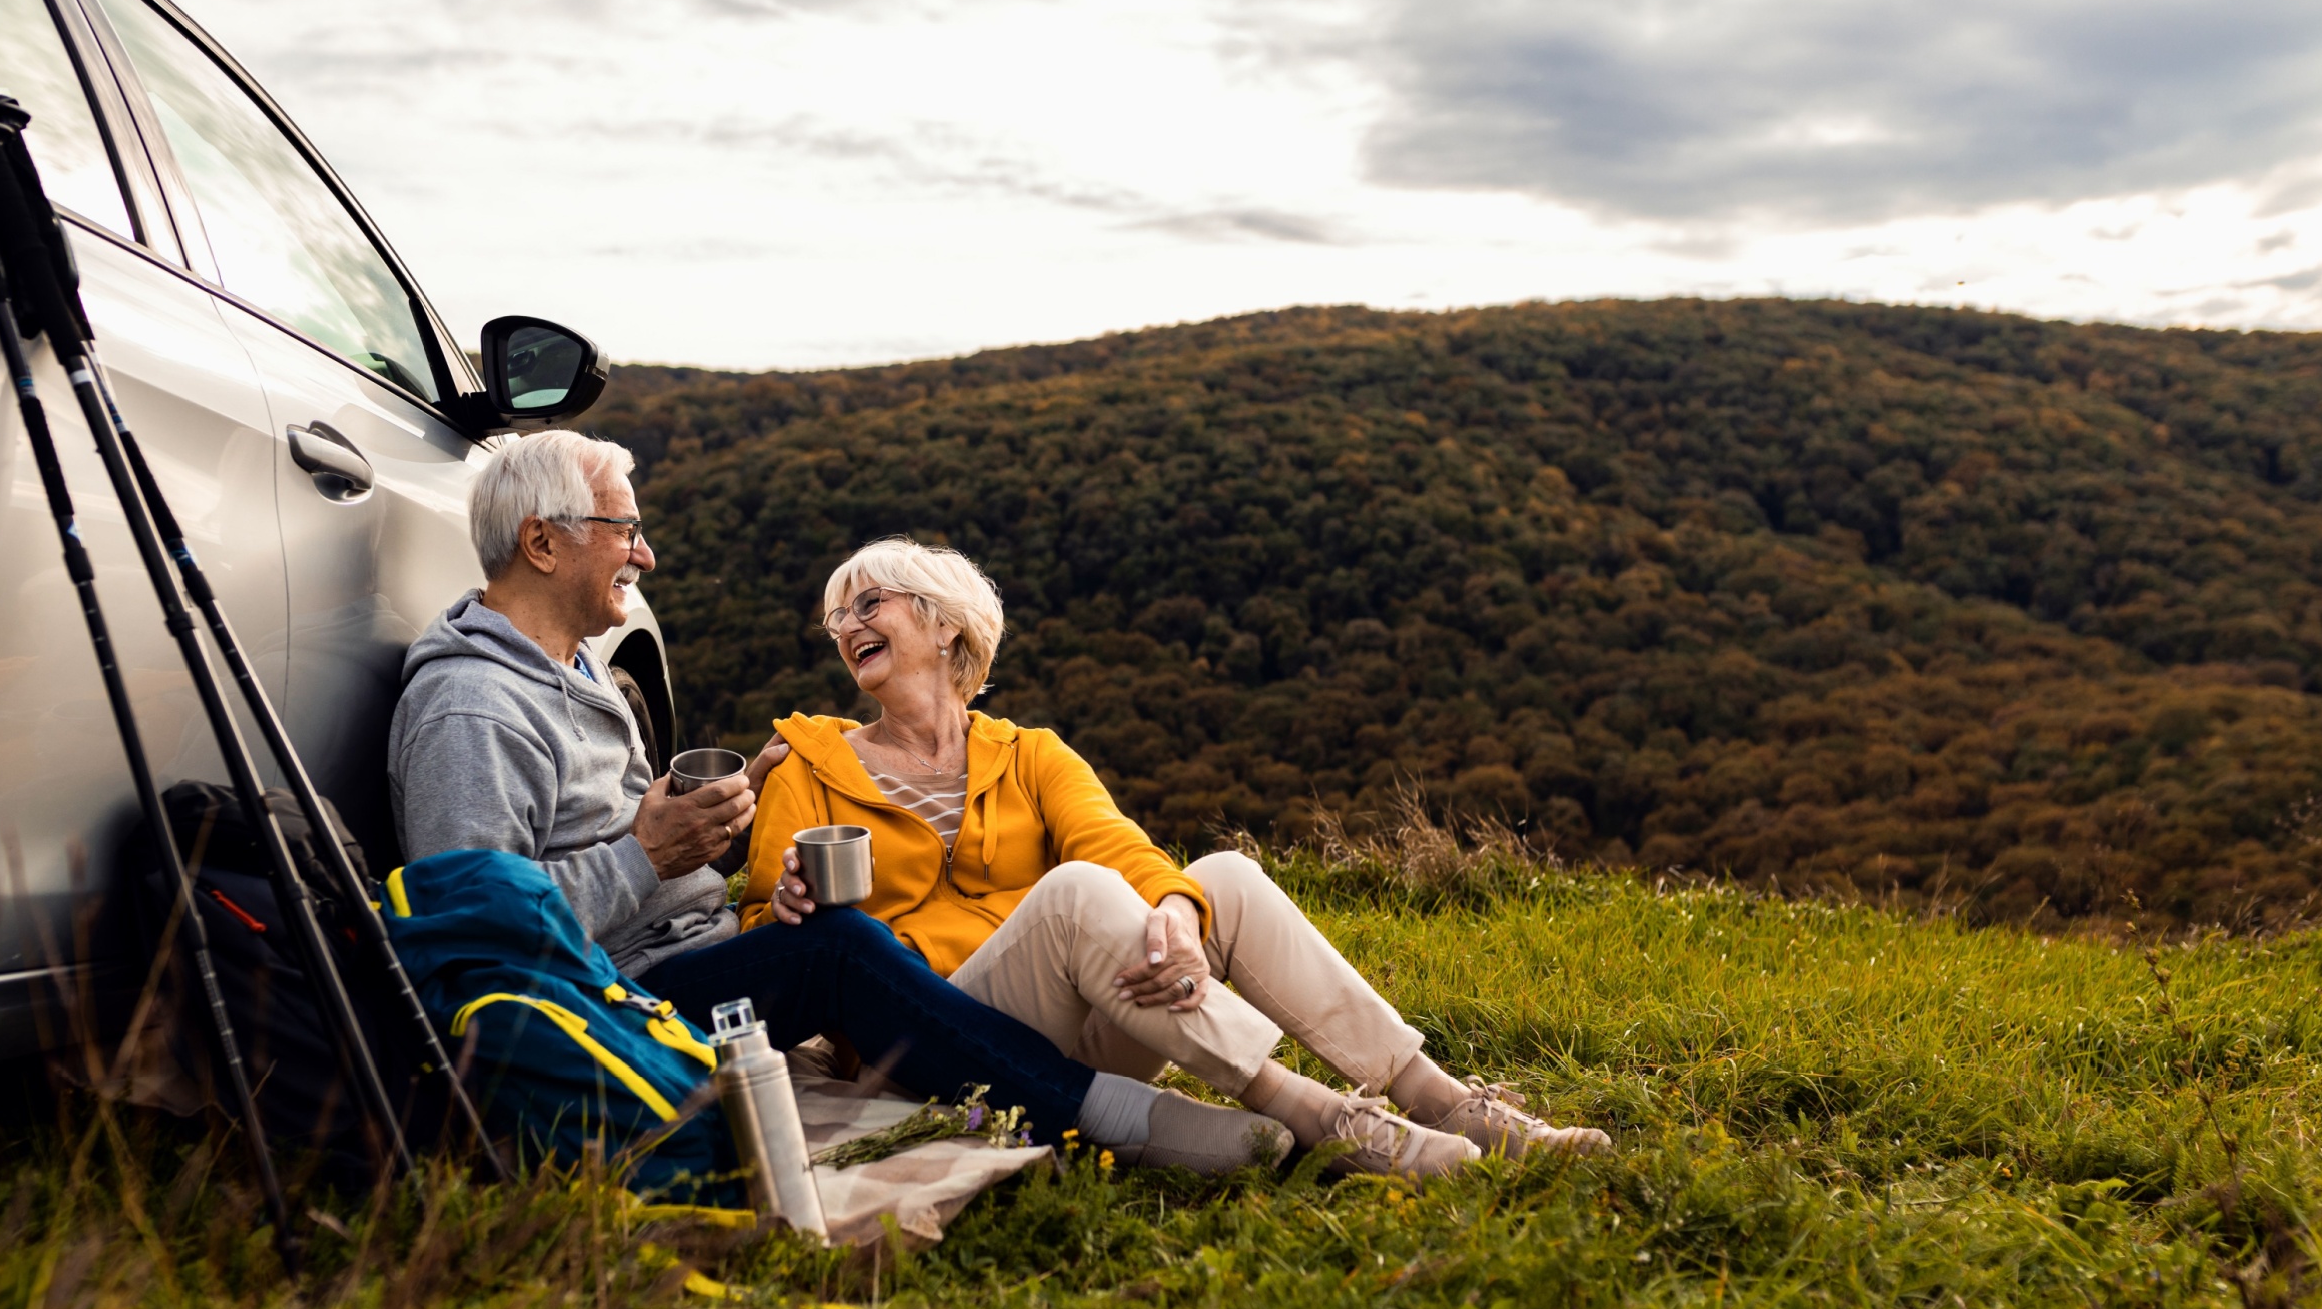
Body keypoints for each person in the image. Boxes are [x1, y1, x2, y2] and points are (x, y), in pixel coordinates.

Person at [388, 431, 1282, 1170]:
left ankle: (1187, 1103)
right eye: (625, 529)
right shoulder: (473, 708)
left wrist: (704, 829)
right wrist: (646, 855)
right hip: (618, 999)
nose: (646, 554)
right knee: (843, 949)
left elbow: (608, 853)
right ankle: (1123, 1122)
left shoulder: (577, 671)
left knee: (839, 942)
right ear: (543, 544)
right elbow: (477, 942)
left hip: (686, 954)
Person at [740, 538, 1614, 1178]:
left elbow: (1122, 847)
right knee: (1079, 893)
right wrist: (784, 909)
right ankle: (1329, 1119)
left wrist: (1181, 916)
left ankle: (1444, 1099)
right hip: (928, 1040)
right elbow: (763, 935)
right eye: (836, 617)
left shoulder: (1028, 753)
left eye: (867, 604)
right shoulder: (806, 763)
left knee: (1221, 875)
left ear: (942, 624)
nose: (845, 626)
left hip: (1082, 1020)